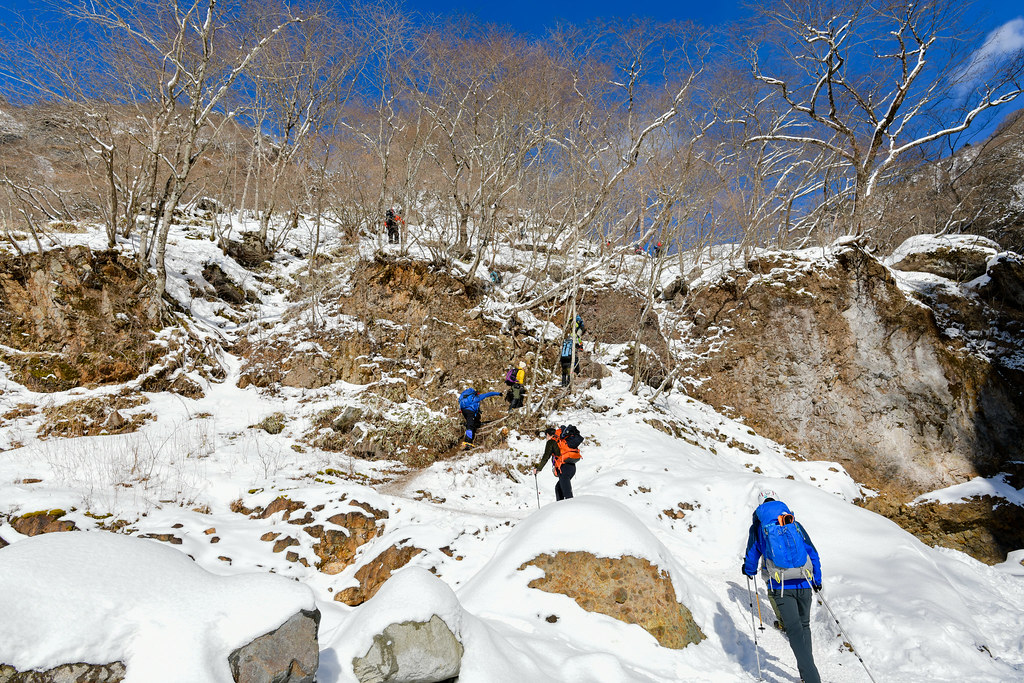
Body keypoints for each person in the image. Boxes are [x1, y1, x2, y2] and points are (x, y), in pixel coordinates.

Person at [743, 489, 822, 683]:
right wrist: (816, 580)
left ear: (760, 506)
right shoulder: (793, 523)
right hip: (804, 582)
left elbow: (753, 554)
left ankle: (812, 679)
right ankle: (807, 675)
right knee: (804, 627)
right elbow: (812, 552)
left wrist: (749, 570)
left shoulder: (760, 527)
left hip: (780, 586)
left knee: (794, 631)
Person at [533, 425, 583, 500]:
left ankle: (571, 509)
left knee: (567, 495)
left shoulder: (552, 442)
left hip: (564, 468)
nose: (546, 438)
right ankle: (560, 508)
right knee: (558, 489)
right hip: (571, 467)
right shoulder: (561, 440)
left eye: (546, 436)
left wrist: (538, 469)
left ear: (548, 435)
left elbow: (546, 457)